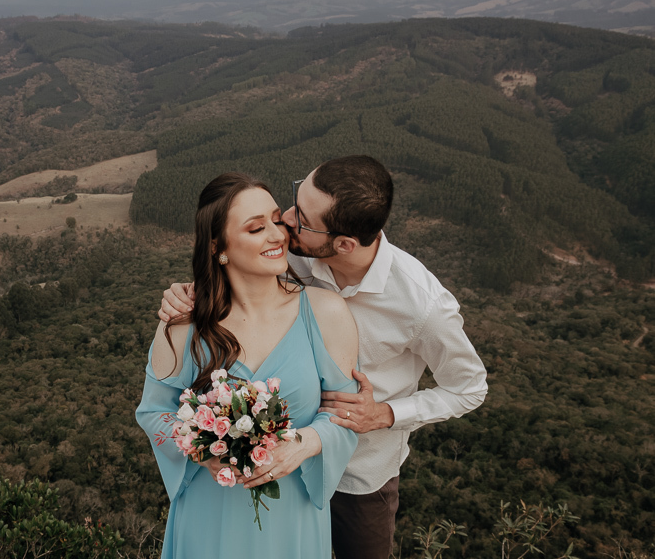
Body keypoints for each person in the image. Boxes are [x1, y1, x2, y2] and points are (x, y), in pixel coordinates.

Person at [159, 156, 489, 559]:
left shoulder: (422, 306)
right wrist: (188, 293)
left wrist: (384, 414)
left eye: (302, 219)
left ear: (343, 244)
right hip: (255, 478)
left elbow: (469, 388)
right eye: (293, 203)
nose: (288, 222)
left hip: (359, 474)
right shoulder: (292, 248)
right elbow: (236, 265)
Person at [136, 172, 362, 558]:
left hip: (292, 514)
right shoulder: (183, 324)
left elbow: (345, 415)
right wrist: (201, 450)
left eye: (277, 220)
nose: (277, 235)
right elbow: (154, 412)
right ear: (217, 246)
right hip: (210, 516)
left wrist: (304, 445)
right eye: (257, 228)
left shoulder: (325, 312)